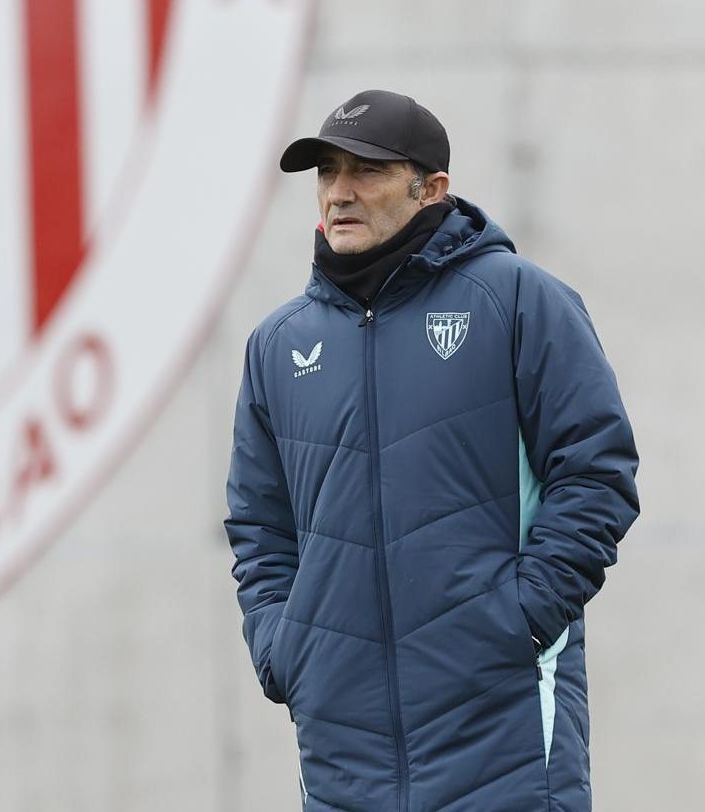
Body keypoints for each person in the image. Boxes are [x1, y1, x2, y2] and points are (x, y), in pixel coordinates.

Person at [225, 89, 640, 811]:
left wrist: (520, 619)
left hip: (500, 733)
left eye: (367, 171)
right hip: (342, 749)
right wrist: (287, 649)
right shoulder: (279, 345)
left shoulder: (516, 301)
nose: (340, 193)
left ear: (432, 189)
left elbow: (598, 473)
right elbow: (260, 528)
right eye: (326, 172)